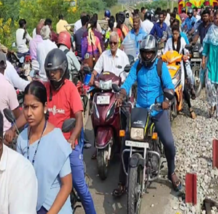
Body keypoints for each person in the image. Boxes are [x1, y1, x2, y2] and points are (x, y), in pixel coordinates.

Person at [113, 35, 182, 198]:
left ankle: (172, 172)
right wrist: (121, 95)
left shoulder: (160, 66)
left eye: (150, 53)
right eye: (145, 53)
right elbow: (128, 82)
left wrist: (166, 100)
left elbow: (169, 87)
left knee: (169, 143)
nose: (147, 56)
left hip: (157, 111)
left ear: (155, 52)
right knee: (126, 143)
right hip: (139, 111)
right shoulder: (137, 66)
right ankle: (122, 183)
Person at [37, 49, 96, 214]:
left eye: (55, 71)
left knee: (80, 185)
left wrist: (72, 139)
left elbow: (78, 118)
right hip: (47, 145)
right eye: (50, 72)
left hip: (68, 146)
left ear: (63, 70)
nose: (52, 75)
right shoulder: (44, 88)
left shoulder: (70, 89)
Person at [16, 81, 73, 214]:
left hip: (55, 209)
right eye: (26, 107)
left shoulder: (57, 139)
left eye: (34, 107)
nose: (29, 113)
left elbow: (67, 185)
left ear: (45, 107)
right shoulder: (22, 139)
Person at [164, 24, 197, 109]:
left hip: (180, 65)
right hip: (171, 65)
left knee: (183, 84)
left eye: (176, 34)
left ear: (179, 33)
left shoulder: (182, 40)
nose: (175, 35)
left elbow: (186, 51)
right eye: (173, 34)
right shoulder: (168, 41)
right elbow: (165, 52)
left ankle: (190, 106)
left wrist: (186, 55)